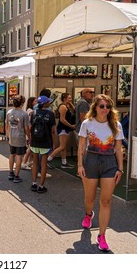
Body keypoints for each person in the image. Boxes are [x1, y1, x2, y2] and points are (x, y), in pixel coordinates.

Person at [77, 94, 124, 252]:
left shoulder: (116, 125)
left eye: (108, 106)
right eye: (102, 106)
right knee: (89, 198)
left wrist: (120, 168)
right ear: (95, 107)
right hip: (91, 161)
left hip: (109, 163)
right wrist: (79, 165)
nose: (105, 109)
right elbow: (82, 146)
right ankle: (88, 214)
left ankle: (102, 236)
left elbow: (118, 148)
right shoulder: (87, 123)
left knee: (106, 201)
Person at [30, 96, 57, 194]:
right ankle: (41, 186)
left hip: (34, 141)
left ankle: (34, 183)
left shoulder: (33, 113)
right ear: (46, 103)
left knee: (35, 163)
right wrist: (54, 143)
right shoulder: (50, 114)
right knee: (43, 163)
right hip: (45, 141)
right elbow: (53, 131)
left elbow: (30, 127)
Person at [47, 93, 76, 168]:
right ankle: (47, 159)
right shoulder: (63, 107)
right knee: (62, 146)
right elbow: (62, 119)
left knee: (64, 146)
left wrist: (70, 103)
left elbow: (75, 110)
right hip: (63, 128)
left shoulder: (68, 106)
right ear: (64, 98)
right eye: (69, 98)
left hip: (66, 128)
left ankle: (64, 162)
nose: (71, 99)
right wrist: (71, 126)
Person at [5, 95, 30, 183]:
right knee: (19, 156)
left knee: (12, 154)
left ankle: (11, 172)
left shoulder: (9, 112)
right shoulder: (24, 114)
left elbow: (6, 125)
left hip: (12, 137)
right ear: (22, 103)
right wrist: (29, 138)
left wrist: (8, 135)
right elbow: (27, 128)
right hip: (20, 137)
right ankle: (16, 175)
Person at [21, 96, 37, 169]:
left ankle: (29, 161)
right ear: (31, 102)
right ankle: (24, 162)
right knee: (31, 147)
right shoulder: (31, 111)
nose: (37, 103)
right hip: (31, 131)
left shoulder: (28, 110)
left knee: (31, 147)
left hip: (30, 131)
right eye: (35, 101)